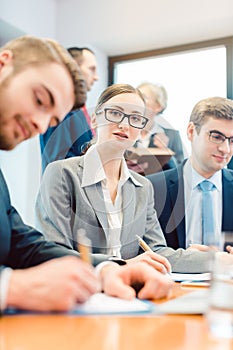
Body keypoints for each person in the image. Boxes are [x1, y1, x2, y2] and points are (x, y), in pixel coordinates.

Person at [0, 36, 173, 313]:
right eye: (40, 99)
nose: (39, 123)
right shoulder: (62, 173)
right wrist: (9, 287)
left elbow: (24, 243)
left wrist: (107, 270)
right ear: (3, 64)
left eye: (52, 121)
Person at [36, 84, 217, 273]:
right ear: (95, 120)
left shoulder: (143, 187)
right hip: (80, 292)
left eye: (136, 118)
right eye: (115, 113)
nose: (124, 125)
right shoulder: (61, 173)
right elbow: (54, 252)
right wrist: (122, 265)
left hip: (131, 295)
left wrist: (217, 259)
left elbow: (157, 253)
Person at [147, 97, 233, 252]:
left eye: (232, 140)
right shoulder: (152, 188)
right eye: (216, 137)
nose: (226, 149)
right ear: (191, 132)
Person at [40, 47, 99, 172]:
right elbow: (57, 162)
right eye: (91, 69)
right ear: (74, 68)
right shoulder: (61, 105)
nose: (96, 77)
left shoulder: (78, 108)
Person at [137, 82, 184, 170]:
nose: (138, 101)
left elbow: (180, 171)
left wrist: (165, 151)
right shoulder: (126, 132)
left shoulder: (172, 136)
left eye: (143, 97)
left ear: (158, 106)